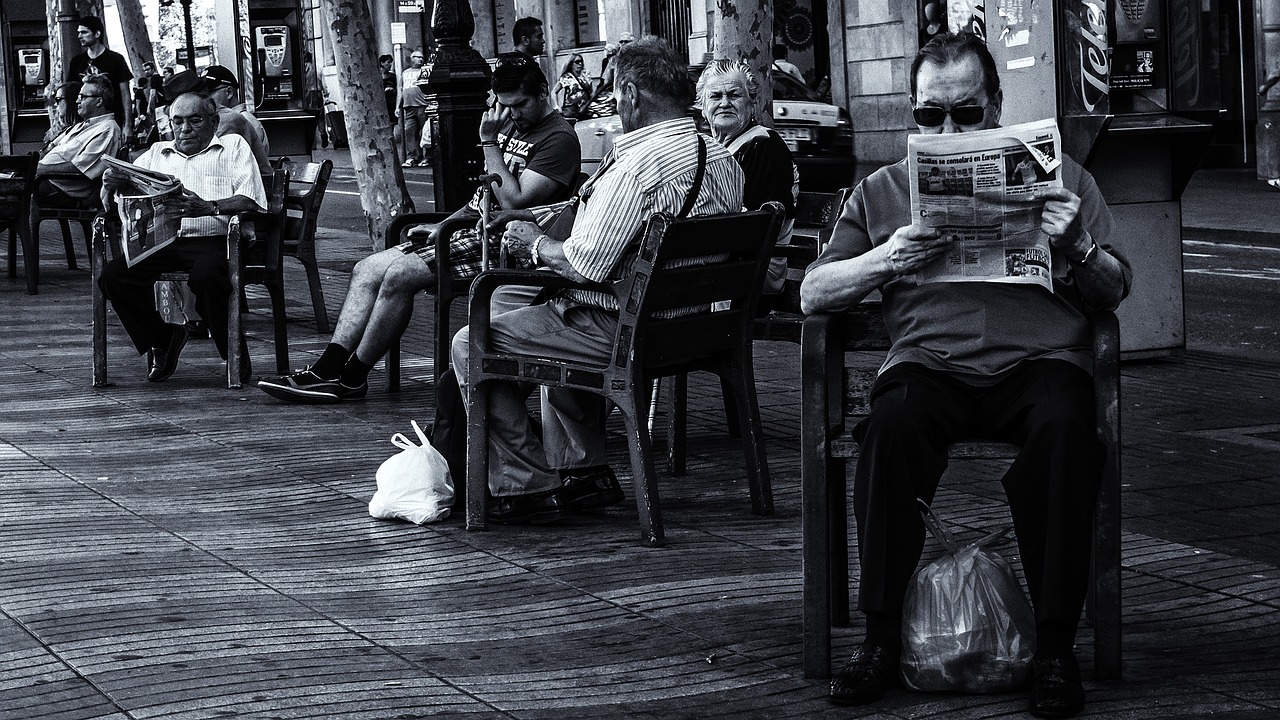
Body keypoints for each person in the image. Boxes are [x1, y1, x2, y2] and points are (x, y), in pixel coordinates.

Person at [798, 32, 1130, 719]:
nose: (946, 130)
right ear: (912, 113)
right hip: (929, 366)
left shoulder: (1064, 179)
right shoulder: (882, 190)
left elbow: (1114, 290)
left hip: (1039, 367)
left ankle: (1055, 645)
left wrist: (1077, 246)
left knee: (1070, 434)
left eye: (966, 114)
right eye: (929, 117)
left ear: (998, 106)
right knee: (889, 428)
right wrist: (886, 260)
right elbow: (813, 294)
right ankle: (882, 637)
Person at [448, 36, 745, 526]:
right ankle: (585, 473)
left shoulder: (637, 168)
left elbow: (583, 264)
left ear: (629, 93)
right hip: (694, 327)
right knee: (531, 312)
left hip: (629, 330)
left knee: (470, 341)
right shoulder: (720, 158)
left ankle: (527, 483)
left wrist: (533, 241)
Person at [257, 53, 581, 404]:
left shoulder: (557, 138)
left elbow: (514, 203)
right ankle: (327, 368)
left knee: (400, 275)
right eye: (505, 106)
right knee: (366, 270)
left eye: (519, 106)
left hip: (510, 245)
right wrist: (442, 224)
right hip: (474, 232)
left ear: (543, 92)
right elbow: (482, 196)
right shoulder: (510, 126)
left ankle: (352, 377)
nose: (513, 115)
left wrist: (488, 143)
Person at [97, 92, 267, 385]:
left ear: (213, 122)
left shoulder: (232, 147)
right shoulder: (156, 153)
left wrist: (209, 206)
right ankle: (164, 338)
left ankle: (233, 353)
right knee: (113, 275)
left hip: (216, 240)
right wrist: (113, 185)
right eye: (178, 122)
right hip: (164, 241)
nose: (184, 129)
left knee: (207, 276)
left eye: (194, 120)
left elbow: (251, 200)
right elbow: (118, 202)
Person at [696, 59, 798, 308]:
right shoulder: (709, 149)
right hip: (722, 265)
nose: (724, 103)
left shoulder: (764, 145)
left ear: (751, 104)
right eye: (715, 96)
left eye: (734, 95)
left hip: (755, 270)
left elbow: (756, 227)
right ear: (702, 107)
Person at [35, 76, 122, 206]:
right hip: (44, 180)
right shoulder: (83, 126)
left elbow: (80, 167)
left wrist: (41, 169)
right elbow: (50, 148)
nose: (77, 101)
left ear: (99, 101)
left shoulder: (107, 129)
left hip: (59, 189)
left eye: (82, 97)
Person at [67, 16, 134, 143]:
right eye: (78, 33)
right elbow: (70, 95)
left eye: (84, 32)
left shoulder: (116, 60)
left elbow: (125, 94)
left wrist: (128, 126)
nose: (79, 36)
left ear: (97, 33)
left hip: (113, 123)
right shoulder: (76, 62)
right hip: (84, 125)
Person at [201, 65, 272, 174]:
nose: (205, 99)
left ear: (229, 93)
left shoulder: (237, 120)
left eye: (209, 93)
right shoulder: (233, 118)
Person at [398, 48, 430, 167]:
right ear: (412, 59)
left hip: (423, 105)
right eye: (418, 57)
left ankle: (427, 157)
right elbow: (400, 90)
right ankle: (412, 157)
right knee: (410, 132)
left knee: (426, 132)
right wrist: (398, 106)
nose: (421, 59)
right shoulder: (405, 73)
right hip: (409, 106)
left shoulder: (425, 71)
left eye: (422, 57)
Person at [555, 54, 592, 120]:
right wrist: (556, 105)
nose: (580, 64)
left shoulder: (585, 75)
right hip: (571, 109)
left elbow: (591, 92)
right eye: (577, 62)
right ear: (571, 64)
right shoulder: (566, 77)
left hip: (585, 108)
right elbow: (554, 92)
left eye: (581, 61)